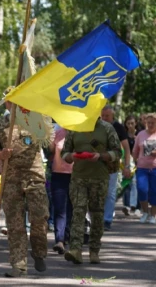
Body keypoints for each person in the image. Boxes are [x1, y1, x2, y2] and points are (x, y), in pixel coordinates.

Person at [0, 93, 50, 278]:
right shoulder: (0, 124)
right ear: (6, 103)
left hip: (34, 176)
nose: (13, 103)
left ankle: (38, 252)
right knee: (15, 224)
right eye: (10, 100)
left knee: (39, 218)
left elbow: (48, 139)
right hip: (11, 178)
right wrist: (1, 156)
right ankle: (18, 264)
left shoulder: (35, 119)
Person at [61, 118, 122, 264]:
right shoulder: (75, 128)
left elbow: (117, 152)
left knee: (97, 214)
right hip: (78, 179)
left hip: (99, 179)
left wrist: (100, 156)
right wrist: (72, 156)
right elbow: (64, 153)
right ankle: (75, 249)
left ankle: (94, 250)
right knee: (78, 211)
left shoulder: (107, 128)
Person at [100, 105, 131, 230]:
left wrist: (127, 166)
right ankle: (97, 219)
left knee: (110, 193)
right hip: (97, 165)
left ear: (112, 115)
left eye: (107, 116)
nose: (104, 118)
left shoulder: (118, 127)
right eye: (103, 116)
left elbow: (127, 148)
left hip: (112, 166)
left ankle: (107, 220)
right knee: (97, 192)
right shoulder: (98, 126)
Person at [49, 124, 73, 254]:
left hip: (75, 176)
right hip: (58, 174)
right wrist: (49, 139)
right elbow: (51, 149)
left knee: (71, 208)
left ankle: (67, 236)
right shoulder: (58, 132)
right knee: (59, 208)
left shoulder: (81, 134)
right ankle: (59, 240)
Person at [132, 113, 156, 224]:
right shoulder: (141, 134)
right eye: (148, 122)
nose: (150, 125)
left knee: (154, 192)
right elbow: (135, 151)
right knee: (142, 190)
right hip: (142, 168)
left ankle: (153, 215)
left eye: (153, 123)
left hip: (155, 168)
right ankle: (145, 212)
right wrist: (135, 161)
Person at [122, 115, 139, 216]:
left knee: (135, 183)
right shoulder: (124, 135)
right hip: (127, 162)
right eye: (128, 123)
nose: (130, 125)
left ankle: (135, 205)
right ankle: (127, 205)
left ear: (135, 123)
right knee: (127, 183)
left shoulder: (140, 134)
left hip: (138, 162)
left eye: (132, 123)